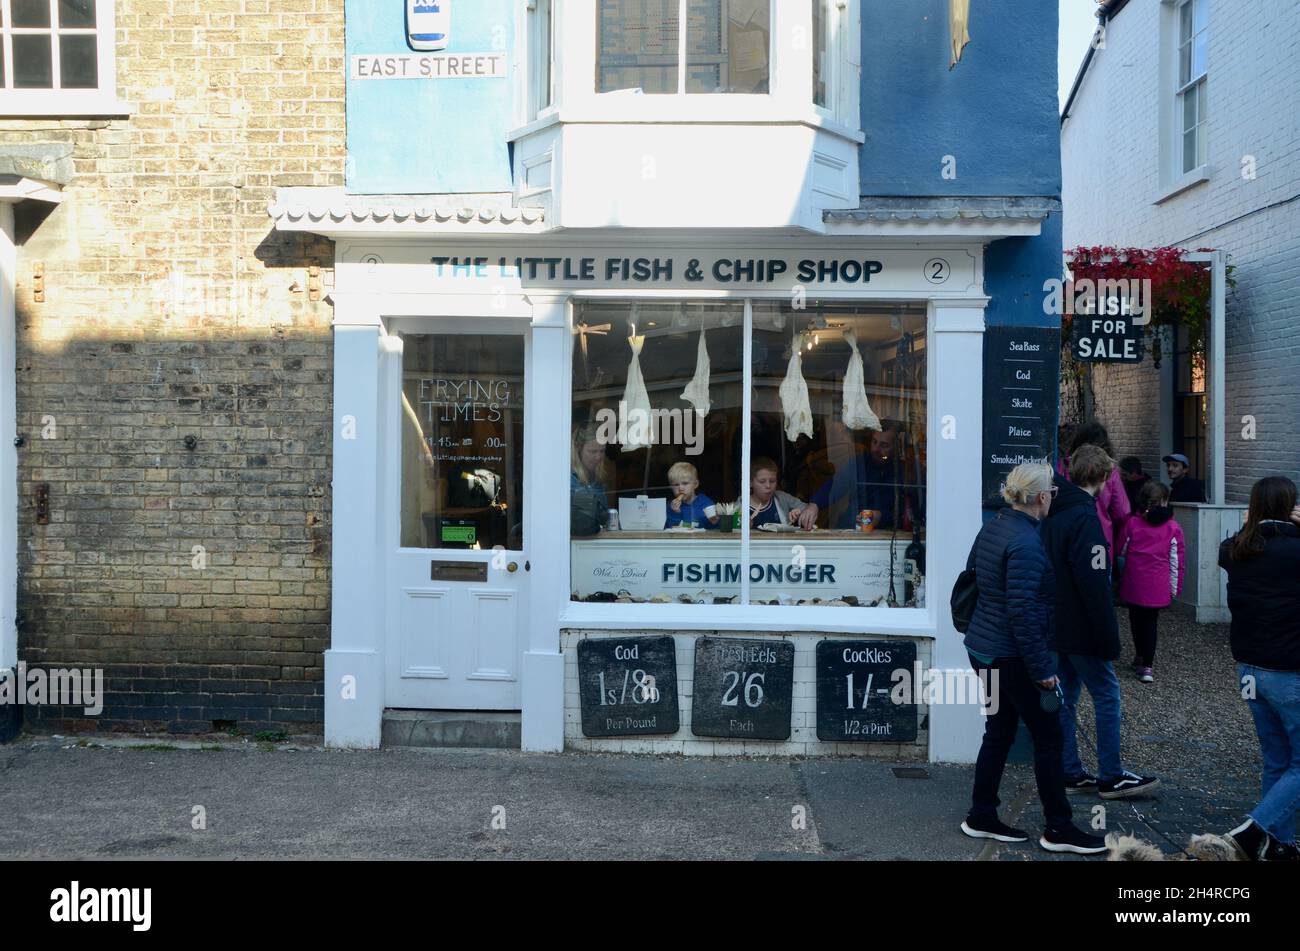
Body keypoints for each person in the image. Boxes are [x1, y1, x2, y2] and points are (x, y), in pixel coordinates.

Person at [960, 461, 1107, 854]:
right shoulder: (1025, 543)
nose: (1054, 499)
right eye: (1053, 493)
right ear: (1042, 497)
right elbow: (1023, 614)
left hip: (983, 648)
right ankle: (1058, 828)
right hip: (1009, 655)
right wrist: (1044, 670)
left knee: (999, 731)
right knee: (1049, 738)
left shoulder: (995, 526)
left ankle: (981, 815)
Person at [1041, 445, 1160, 800]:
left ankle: (1069, 770)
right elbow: (1094, 584)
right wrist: (1108, 636)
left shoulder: (1056, 514)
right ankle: (1111, 775)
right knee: (1107, 694)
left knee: (1067, 697)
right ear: (1107, 477)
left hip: (1057, 623)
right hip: (1082, 626)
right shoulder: (1086, 517)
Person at [1217, 476, 1300, 861]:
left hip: (1248, 669)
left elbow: (1228, 548)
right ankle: (1255, 830)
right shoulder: (1294, 549)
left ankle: (1275, 843)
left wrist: (1257, 524)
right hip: (1288, 670)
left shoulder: (1236, 549)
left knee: (1278, 760)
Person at [1116, 481, 1185, 683]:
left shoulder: (1132, 523)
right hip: (1157, 585)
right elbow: (1176, 561)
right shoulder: (1173, 527)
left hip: (1134, 582)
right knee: (1150, 623)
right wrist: (1175, 588)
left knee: (1135, 620)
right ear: (1165, 501)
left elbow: (1121, 548)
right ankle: (1148, 665)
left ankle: (1139, 655)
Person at [810, 424, 923, 530]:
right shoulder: (859, 463)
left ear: (896, 447)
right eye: (874, 442)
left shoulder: (905, 472)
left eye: (884, 445)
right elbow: (836, 485)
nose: (876, 449)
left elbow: (910, 513)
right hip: (852, 530)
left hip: (888, 538)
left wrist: (881, 516)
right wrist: (815, 504)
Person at [1059, 422, 1130, 551]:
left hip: (1065, 538)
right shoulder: (1109, 470)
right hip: (1100, 541)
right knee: (1098, 570)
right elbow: (1122, 511)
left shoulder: (1063, 466)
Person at [747, 457, 818, 531]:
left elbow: (808, 509)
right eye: (762, 481)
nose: (768, 486)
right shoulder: (739, 507)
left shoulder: (782, 498)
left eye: (772, 481)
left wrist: (799, 512)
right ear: (750, 483)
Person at [571, 424, 611, 536]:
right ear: (579, 449)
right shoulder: (568, 479)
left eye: (602, 451)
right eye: (592, 451)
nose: (598, 457)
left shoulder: (599, 477)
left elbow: (604, 518)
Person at [665, 461, 719, 529]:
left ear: (695, 484)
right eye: (676, 485)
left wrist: (715, 521)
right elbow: (670, 530)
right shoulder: (670, 506)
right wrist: (676, 513)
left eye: (685, 483)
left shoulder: (706, 504)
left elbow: (715, 529)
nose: (680, 488)